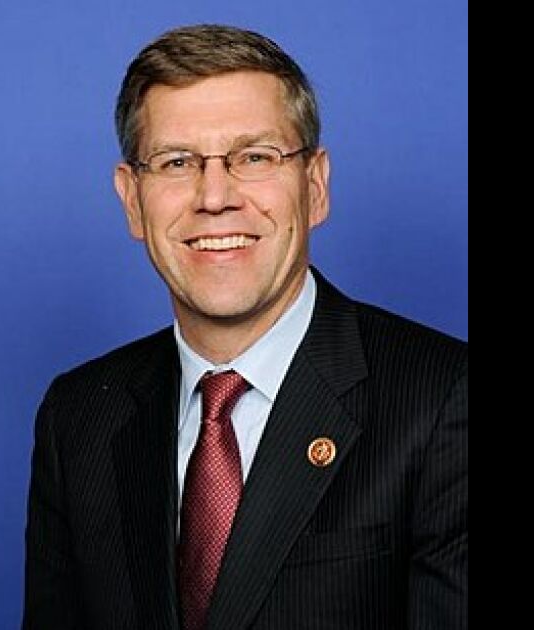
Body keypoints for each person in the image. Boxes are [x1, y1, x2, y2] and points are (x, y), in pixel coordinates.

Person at [23, 24, 467, 630]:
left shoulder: (443, 398)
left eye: (254, 157)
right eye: (177, 162)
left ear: (314, 187)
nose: (214, 197)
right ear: (132, 200)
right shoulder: (76, 419)